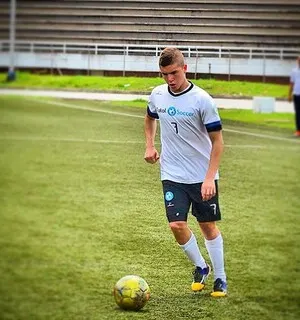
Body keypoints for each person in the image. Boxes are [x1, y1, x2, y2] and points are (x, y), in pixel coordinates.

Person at [144, 47, 227, 297]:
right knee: (177, 224)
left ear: (185, 68)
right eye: (164, 74)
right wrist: (150, 144)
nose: (169, 79)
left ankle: (220, 278)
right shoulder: (157, 95)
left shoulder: (202, 100)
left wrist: (210, 176)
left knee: (207, 226)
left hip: (202, 176)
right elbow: (149, 118)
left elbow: (218, 141)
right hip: (172, 173)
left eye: (174, 73)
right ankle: (201, 267)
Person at [288, 56, 300, 137]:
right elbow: (292, 84)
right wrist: (289, 94)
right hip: (297, 95)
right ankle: (298, 130)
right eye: (299, 60)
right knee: (298, 113)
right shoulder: (294, 71)